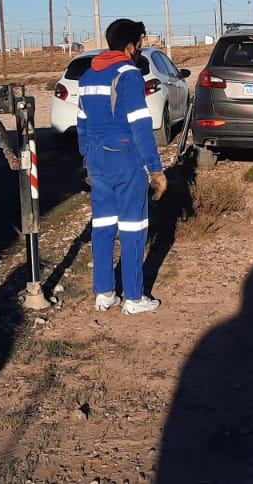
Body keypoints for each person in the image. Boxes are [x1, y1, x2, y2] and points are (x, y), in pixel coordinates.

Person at [78, 18, 169, 314]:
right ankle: (134, 297)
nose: (140, 49)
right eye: (140, 44)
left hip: (96, 160)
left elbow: (82, 122)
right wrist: (155, 170)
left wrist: (86, 158)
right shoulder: (129, 74)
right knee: (133, 228)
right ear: (130, 46)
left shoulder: (87, 76)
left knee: (102, 227)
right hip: (124, 159)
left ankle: (104, 293)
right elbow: (140, 126)